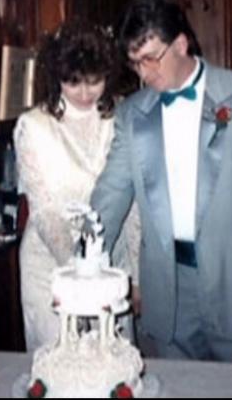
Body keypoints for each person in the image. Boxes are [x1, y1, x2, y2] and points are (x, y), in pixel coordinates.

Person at [90, 0, 232, 363]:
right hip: (168, 291)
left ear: (181, 44)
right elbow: (111, 192)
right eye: (135, 64)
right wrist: (84, 260)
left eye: (151, 59)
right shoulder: (132, 114)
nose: (144, 74)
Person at [14, 21, 140, 351]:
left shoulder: (123, 116)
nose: (84, 93)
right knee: (61, 369)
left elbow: (133, 206)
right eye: (73, 82)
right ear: (57, 77)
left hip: (113, 265)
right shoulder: (33, 126)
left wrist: (136, 276)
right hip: (51, 271)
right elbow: (44, 212)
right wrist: (79, 276)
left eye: (94, 81)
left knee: (111, 369)